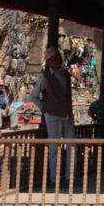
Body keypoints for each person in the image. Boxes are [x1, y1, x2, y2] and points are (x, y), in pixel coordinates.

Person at [30, 46, 76, 185]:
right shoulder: (45, 78)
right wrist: (45, 108)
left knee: (72, 145)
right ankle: (54, 179)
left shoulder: (65, 74)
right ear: (49, 61)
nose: (58, 61)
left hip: (67, 113)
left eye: (58, 58)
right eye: (54, 59)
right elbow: (33, 96)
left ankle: (70, 177)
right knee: (54, 147)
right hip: (53, 115)